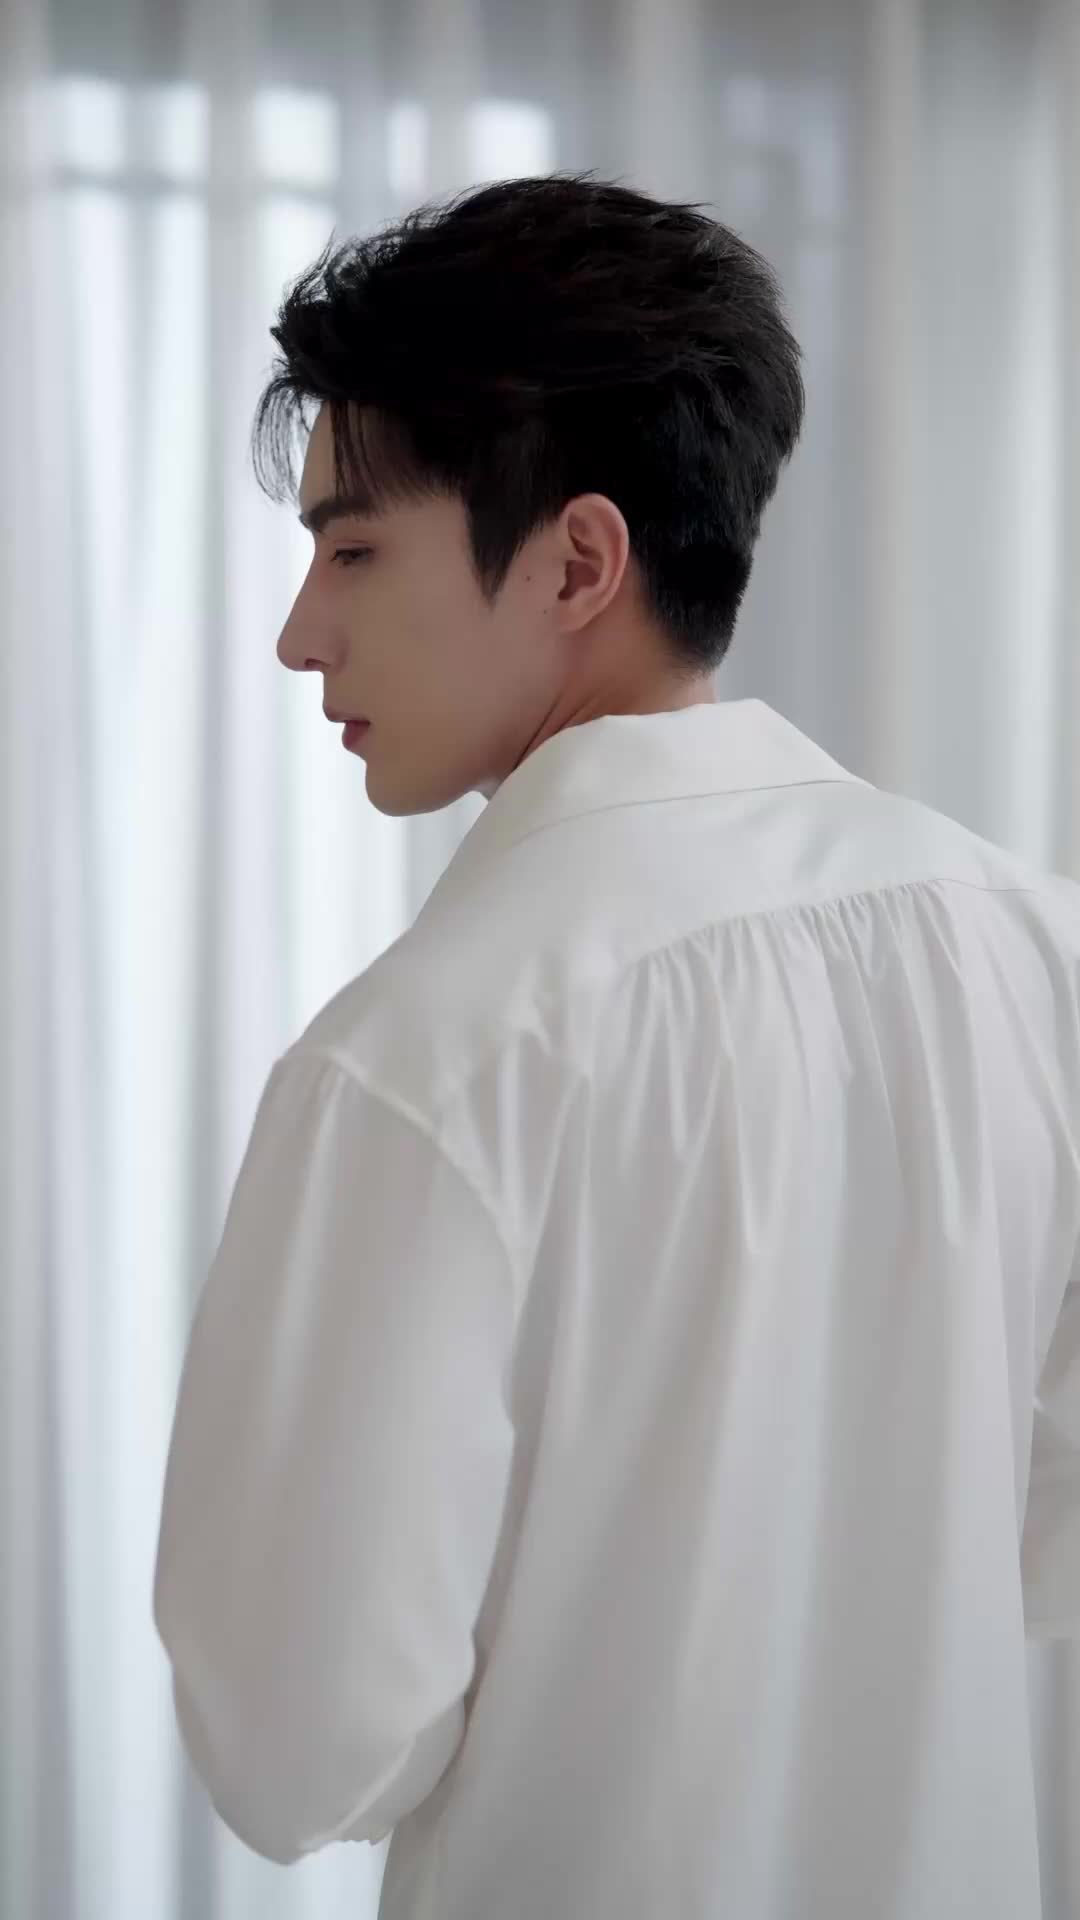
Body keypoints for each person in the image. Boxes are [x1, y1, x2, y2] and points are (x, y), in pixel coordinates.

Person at [152, 171, 1080, 1919]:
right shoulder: (1034, 951)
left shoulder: (425, 1059)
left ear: (580, 560)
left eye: (352, 549)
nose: (297, 634)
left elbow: (295, 1749)